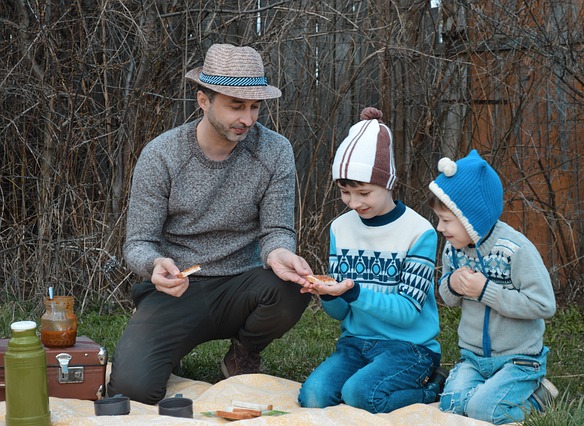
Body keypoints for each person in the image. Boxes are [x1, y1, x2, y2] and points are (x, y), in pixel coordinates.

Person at [107, 43, 312, 405]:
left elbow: (276, 230)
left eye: (254, 106)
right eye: (236, 105)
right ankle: (170, 343)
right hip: (180, 288)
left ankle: (244, 351)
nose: (248, 119)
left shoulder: (275, 150)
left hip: (244, 285)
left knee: (292, 288)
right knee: (133, 390)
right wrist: (154, 265)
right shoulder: (162, 155)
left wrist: (280, 252)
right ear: (204, 100)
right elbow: (138, 242)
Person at [297, 107, 444, 414]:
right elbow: (340, 313)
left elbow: (407, 313)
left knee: (361, 395)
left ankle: (431, 389)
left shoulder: (419, 232)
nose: (354, 203)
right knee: (313, 397)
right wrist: (326, 294)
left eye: (364, 192)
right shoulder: (340, 227)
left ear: (389, 183)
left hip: (409, 348)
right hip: (355, 343)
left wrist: (352, 292)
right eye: (345, 192)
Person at [428, 150, 558, 424]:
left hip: (518, 360)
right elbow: (447, 297)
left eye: (447, 221)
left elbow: (544, 304)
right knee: (451, 406)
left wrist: (486, 291)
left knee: (483, 411)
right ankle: (481, 392)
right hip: (474, 358)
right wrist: (451, 283)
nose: (440, 228)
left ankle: (538, 396)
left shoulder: (515, 249)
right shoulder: (454, 248)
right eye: (440, 219)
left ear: (471, 218)